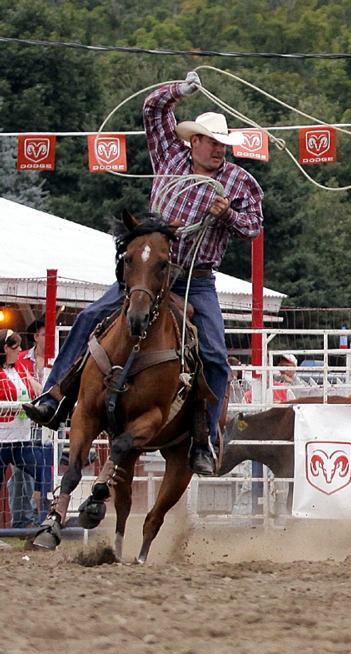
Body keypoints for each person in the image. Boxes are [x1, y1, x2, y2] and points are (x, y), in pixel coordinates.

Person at [23, 70, 264, 476]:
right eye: (212, 143)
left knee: (216, 356)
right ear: (195, 141)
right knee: (88, 317)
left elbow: (253, 226)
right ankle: (55, 396)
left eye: (224, 145)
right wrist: (179, 91)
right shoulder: (170, 157)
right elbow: (152, 110)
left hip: (196, 278)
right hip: (148, 273)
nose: (219, 151)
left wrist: (228, 217)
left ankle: (204, 438)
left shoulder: (239, 182)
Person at [1, 330, 44, 527]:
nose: (19, 350)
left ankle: (40, 521)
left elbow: (38, 391)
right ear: (5, 349)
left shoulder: (20, 368)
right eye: (15, 346)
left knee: (42, 472)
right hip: (2, 439)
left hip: (22, 438)